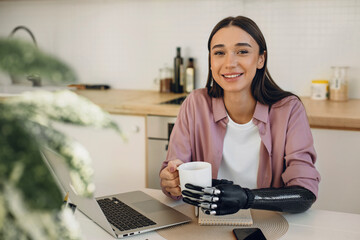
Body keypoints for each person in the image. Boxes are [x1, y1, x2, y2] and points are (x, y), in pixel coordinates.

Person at [159, 16, 321, 215]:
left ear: (261, 58)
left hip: (270, 222)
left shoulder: (289, 110)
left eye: (242, 51)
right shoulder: (195, 104)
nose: (230, 63)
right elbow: (172, 177)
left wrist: (247, 198)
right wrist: (171, 180)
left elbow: (305, 194)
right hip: (205, 225)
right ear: (211, 61)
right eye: (219, 52)